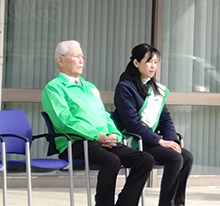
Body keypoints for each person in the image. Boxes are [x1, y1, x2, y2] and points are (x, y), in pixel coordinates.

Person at [42, 40, 154, 206]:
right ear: (60, 60)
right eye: (76, 56)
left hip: (102, 141)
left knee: (145, 159)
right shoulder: (54, 88)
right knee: (112, 161)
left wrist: (115, 134)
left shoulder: (90, 87)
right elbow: (64, 121)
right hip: (76, 142)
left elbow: (104, 116)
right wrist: (96, 135)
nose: (81, 60)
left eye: (82, 56)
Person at [113, 43, 194, 206]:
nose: (153, 66)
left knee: (186, 157)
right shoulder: (125, 87)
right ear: (136, 63)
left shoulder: (155, 88)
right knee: (174, 158)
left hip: (151, 140)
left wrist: (171, 140)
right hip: (134, 139)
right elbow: (132, 124)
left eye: (156, 62)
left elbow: (165, 119)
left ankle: (178, 203)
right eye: (149, 61)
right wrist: (159, 141)